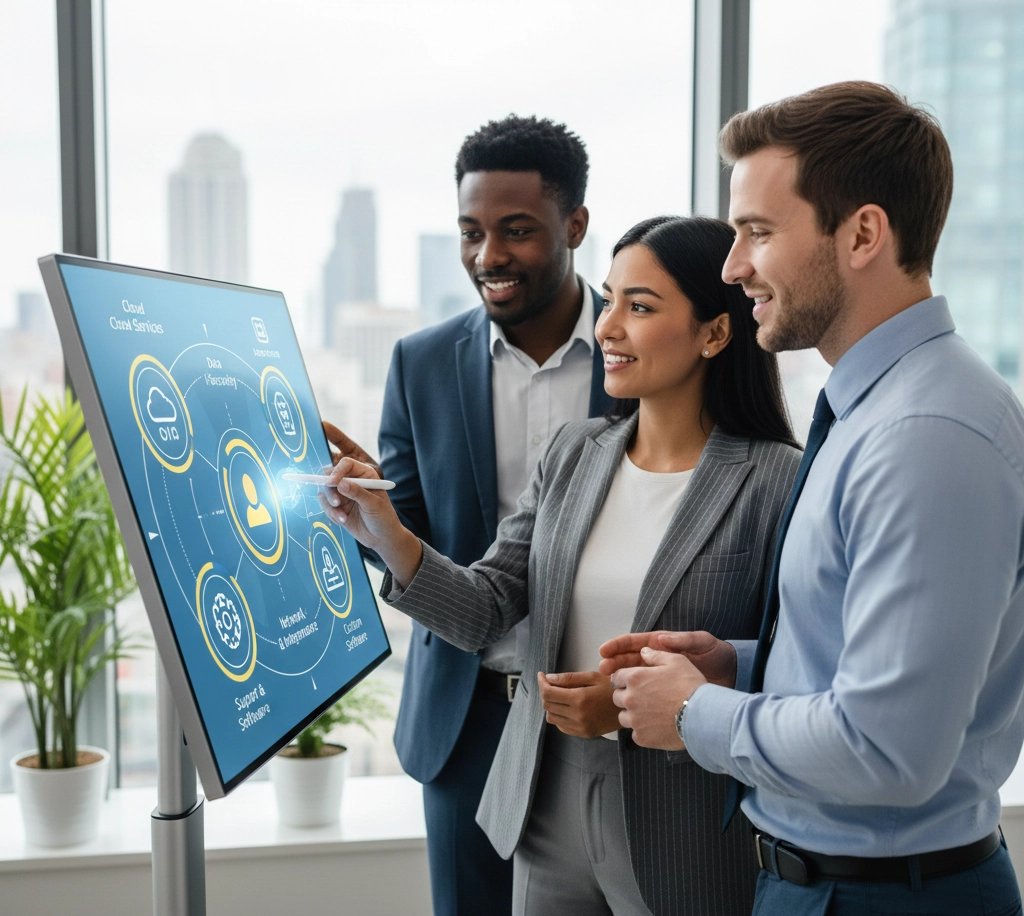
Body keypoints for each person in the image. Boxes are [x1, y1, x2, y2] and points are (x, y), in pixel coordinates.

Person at [601, 82, 1024, 916]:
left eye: (757, 232)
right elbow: (875, 671)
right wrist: (747, 667)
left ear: (863, 233)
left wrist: (696, 710)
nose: (733, 268)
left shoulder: (927, 433)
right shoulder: (875, 409)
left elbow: (888, 750)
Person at [319, 215, 802, 916]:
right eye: (609, 301)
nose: (607, 327)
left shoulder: (775, 480)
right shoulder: (576, 453)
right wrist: (383, 530)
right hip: (547, 796)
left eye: (640, 307)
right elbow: (486, 606)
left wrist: (633, 707)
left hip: (687, 818)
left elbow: (793, 666)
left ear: (715, 333)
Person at [322, 115, 612, 916]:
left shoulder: (642, 345)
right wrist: (374, 509)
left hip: (602, 715)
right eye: (472, 232)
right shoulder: (420, 361)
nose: (489, 257)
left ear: (575, 225)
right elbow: (406, 540)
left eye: (517, 231)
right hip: (466, 716)